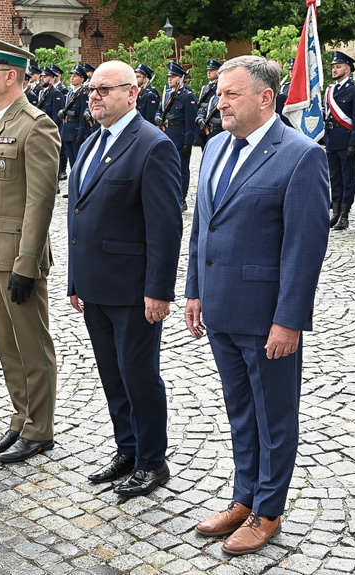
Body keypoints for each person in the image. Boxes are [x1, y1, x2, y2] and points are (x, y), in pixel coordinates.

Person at [185, 55, 329, 556]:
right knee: (240, 413)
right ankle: (244, 498)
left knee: (274, 417)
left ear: (265, 98)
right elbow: (203, 223)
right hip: (221, 308)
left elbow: (304, 248)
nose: (219, 102)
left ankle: (268, 510)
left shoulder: (300, 154)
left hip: (267, 317)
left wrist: (288, 320)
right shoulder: (218, 145)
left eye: (230, 94)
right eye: (219, 93)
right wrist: (194, 289)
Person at [67, 60, 182, 497]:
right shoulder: (92, 142)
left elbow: (165, 227)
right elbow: (78, 215)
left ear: (132, 93)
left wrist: (158, 290)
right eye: (92, 90)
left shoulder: (153, 145)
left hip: (133, 290)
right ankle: (127, 450)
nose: (94, 96)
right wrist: (76, 279)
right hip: (95, 285)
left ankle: (153, 461)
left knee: (139, 375)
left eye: (105, 89)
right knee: (111, 375)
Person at [0, 33, 61, 463]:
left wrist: (27, 262)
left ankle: (40, 429)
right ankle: (20, 419)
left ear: (10, 76)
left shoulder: (37, 124)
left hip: (17, 257)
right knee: (6, 344)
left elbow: (39, 201)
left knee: (31, 345)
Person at [324, 51, 355, 230]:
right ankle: (336, 212)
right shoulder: (330, 90)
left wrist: (354, 142)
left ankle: (345, 215)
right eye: (333, 67)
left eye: (338, 66)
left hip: (346, 139)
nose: (334, 70)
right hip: (332, 139)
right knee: (334, 177)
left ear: (348, 69)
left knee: (348, 177)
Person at [155, 62, 197, 210]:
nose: (169, 79)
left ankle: (181, 199)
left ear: (180, 78)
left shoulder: (187, 96)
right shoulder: (167, 93)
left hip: (180, 136)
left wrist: (188, 141)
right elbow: (160, 110)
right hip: (167, 134)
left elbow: (191, 121)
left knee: (181, 169)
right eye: (169, 77)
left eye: (173, 77)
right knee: (167, 168)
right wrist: (158, 117)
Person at [57, 64, 90, 172]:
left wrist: (81, 132)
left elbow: (82, 115)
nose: (72, 78)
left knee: (78, 161)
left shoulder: (83, 94)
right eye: (71, 76)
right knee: (71, 161)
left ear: (82, 79)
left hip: (76, 131)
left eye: (75, 76)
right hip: (67, 130)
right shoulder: (70, 93)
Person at [195, 59, 223, 148]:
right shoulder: (205, 87)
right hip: (205, 121)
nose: (208, 72)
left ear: (218, 72)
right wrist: (200, 119)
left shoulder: (219, 86)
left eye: (211, 70)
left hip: (216, 124)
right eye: (208, 70)